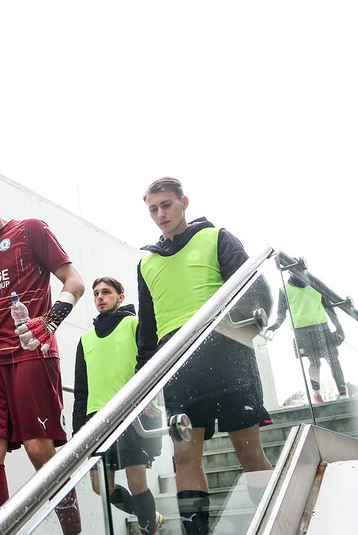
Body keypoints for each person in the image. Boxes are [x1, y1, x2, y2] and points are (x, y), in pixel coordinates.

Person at [0, 173, 85, 534]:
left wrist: (52, 320)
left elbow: (75, 281)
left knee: (38, 448)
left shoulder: (31, 230)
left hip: (32, 352)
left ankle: (73, 530)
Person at [136, 177, 272, 535]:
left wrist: (241, 336)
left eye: (167, 205)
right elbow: (147, 330)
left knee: (248, 452)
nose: (161, 214)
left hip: (228, 354)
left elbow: (253, 291)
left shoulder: (217, 237)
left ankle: (276, 522)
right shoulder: (146, 263)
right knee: (184, 458)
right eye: (153, 208)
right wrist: (145, 381)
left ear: (184, 202)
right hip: (179, 364)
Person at [73, 277, 162, 535]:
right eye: (96, 293)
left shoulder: (135, 324)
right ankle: (148, 516)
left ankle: (148, 529)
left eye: (107, 292)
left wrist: (148, 398)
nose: (100, 297)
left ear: (120, 297)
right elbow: (81, 389)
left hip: (131, 414)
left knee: (136, 481)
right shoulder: (85, 340)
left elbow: (150, 363)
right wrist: (79, 430)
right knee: (100, 486)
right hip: (97, 420)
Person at [267, 276, 348, 402]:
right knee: (315, 363)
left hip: (321, 328)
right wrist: (276, 325)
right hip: (302, 332)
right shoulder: (284, 289)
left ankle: (343, 394)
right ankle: (317, 394)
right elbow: (281, 313)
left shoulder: (317, 284)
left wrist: (339, 328)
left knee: (333, 361)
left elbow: (329, 308)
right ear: (288, 270)